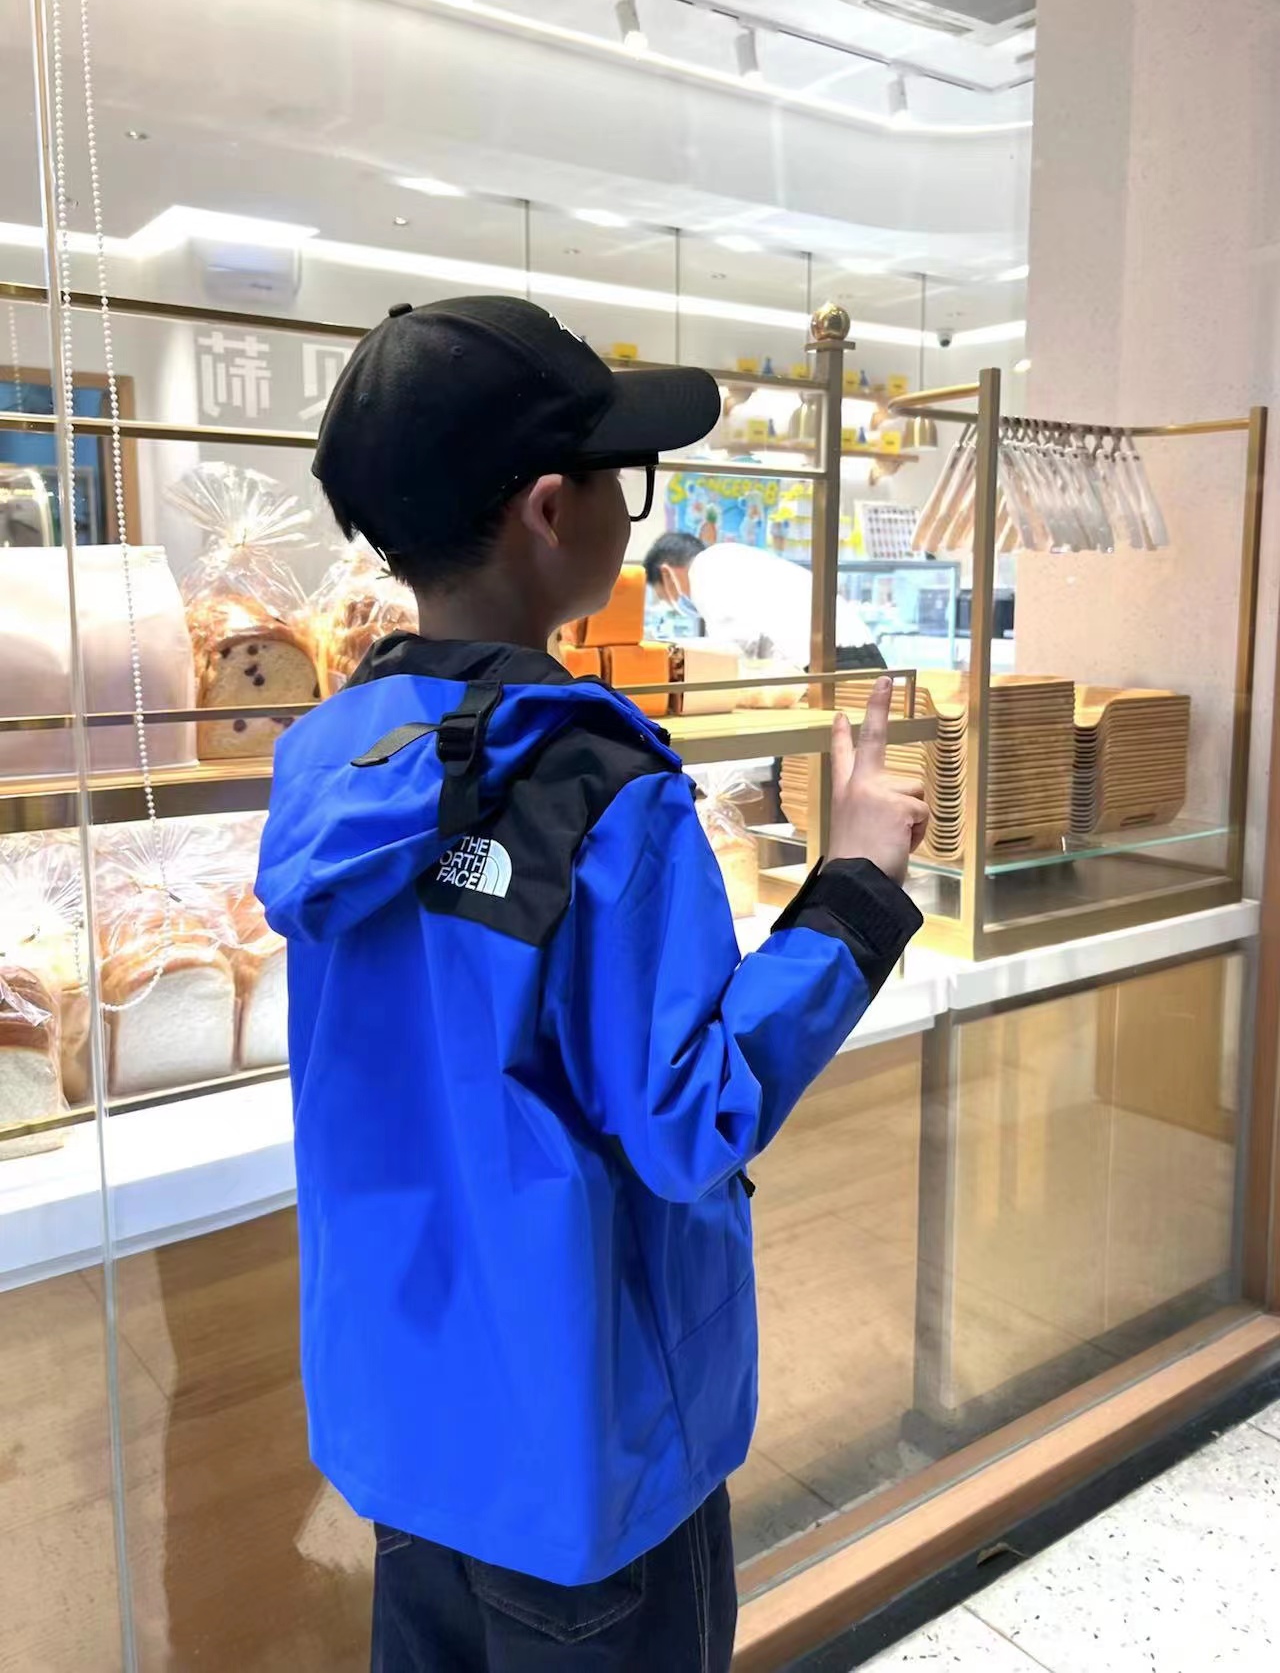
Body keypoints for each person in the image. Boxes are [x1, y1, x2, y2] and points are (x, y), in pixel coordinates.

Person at [256, 296, 927, 1673]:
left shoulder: (329, 764)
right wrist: (857, 886)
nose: (633, 506)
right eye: (627, 475)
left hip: (407, 1431)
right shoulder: (597, 790)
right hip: (583, 1456)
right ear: (551, 511)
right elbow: (689, 1117)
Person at [644, 531, 885, 671]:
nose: (679, 605)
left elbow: (733, 650)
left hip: (832, 663)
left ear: (667, 574)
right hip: (862, 654)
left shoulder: (704, 569)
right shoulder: (731, 557)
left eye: (666, 597)